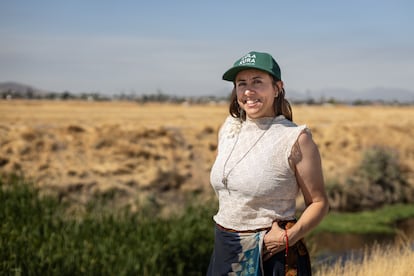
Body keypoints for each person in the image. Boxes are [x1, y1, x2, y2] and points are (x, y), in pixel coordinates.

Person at [207, 51, 329, 276]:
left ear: (277, 87)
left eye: (257, 82)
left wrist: (290, 237)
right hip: (225, 248)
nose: (248, 91)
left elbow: (319, 202)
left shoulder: (296, 138)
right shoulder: (228, 129)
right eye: (241, 83)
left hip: (271, 255)